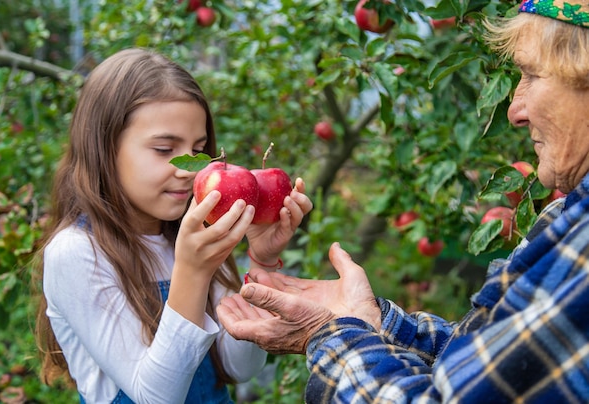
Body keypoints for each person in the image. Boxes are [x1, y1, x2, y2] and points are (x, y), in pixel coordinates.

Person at [217, 1, 589, 402]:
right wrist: (370, 321)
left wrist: (325, 333)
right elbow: (489, 362)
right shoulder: (567, 213)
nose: (515, 109)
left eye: (532, 74)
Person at [32, 48, 313, 403]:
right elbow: (155, 398)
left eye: (198, 150)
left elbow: (241, 367)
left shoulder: (189, 236)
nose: (187, 168)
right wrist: (192, 272)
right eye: (164, 149)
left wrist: (261, 260)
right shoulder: (77, 253)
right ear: (103, 148)